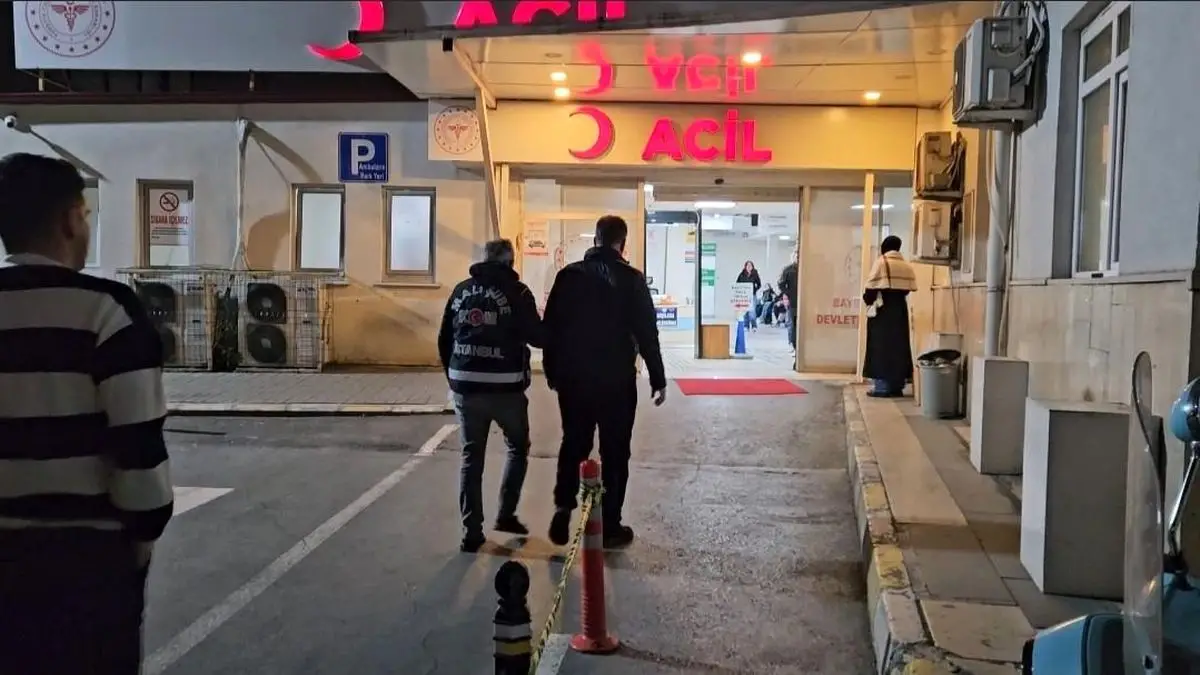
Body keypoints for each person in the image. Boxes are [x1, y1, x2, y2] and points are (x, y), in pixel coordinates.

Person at [0, 152, 175, 674]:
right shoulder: (108, 311)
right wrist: (140, 538)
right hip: (86, 561)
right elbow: (139, 447)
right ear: (70, 219)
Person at [543, 215, 667, 549]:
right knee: (615, 451)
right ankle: (610, 525)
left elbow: (550, 329)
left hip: (575, 379)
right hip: (616, 381)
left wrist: (552, 371)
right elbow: (647, 332)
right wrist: (658, 377)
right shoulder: (632, 279)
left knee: (574, 442)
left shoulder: (569, 276)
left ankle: (563, 508)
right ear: (621, 243)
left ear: (596, 239)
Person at [438, 239, 544, 553]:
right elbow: (537, 337)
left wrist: (454, 376)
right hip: (505, 387)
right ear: (509, 262)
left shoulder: (461, 290)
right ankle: (506, 514)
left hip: (466, 386)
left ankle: (471, 533)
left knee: (472, 458)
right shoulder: (518, 293)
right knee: (517, 447)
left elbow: (445, 338)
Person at [862, 235, 918, 397]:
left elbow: (871, 290)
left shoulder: (882, 263)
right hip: (900, 310)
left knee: (881, 348)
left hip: (883, 312)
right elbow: (907, 290)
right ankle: (896, 387)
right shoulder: (905, 265)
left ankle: (882, 387)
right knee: (899, 347)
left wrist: (868, 301)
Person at [777, 250, 799, 352]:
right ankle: (792, 344)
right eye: (796, 256)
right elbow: (781, 284)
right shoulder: (788, 270)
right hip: (792, 300)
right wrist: (787, 294)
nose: (797, 258)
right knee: (792, 323)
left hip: (804, 300)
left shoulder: (806, 269)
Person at [736, 260, 762, 330]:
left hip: (752, 295)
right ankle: (746, 326)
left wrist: (755, 289)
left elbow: (759, 284)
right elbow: (737, 283)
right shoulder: (741, 274)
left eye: (750, 265)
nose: (749, 267)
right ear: (745, 266)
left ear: (752, 267)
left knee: (752, 311)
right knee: (745, 311)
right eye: (748, 265)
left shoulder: (755, 274)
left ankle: (754, 325)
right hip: (744, 295)